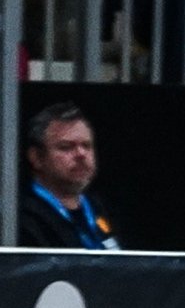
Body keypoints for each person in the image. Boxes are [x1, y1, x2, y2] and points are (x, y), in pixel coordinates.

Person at [19, 102, 121, 250]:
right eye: (66, 147)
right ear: (36, 157)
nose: (81, 154)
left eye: (86, 145)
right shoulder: (21, 217)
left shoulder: (102, 207)